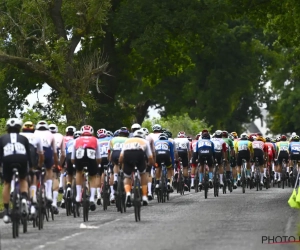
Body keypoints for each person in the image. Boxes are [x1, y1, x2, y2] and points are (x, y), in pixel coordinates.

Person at [1, 118, 33, 223]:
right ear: (19, 128)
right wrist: (31, 168)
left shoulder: (2, 138)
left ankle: (6, 211)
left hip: (7, 159)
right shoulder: (23, 138)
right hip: (21, 159)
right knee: (23, 179)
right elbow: (29, 156)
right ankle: (24, 197)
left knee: (6, 183)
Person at [119, 129, 154, 206]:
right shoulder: (145, 141)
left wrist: (120, 164)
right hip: (139, 154)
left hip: (127, 154)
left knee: (127, 177)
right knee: (143, 174)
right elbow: (150, 157)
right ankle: (144, 197)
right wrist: (150, 164)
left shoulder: (127, 141)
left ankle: (128, 193)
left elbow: (121, 156)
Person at [71, 125, 101, 211]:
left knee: (78, 172)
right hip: (91, 158)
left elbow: (73, 158)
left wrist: (76, 165)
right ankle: (92, 198)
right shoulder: (96, 140)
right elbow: (98, 158)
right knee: (92, 176)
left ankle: (78, 197)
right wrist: (97, 165)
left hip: (79, 156)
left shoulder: (76, 140)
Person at [20, 121, 44, 218]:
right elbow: (41, 154)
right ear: (33, 129)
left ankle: (14, 190)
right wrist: (39, 165)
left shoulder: (19, 135)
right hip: (32, 154)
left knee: (22, 177)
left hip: (19, 156)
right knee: (33, 175)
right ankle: (33, 197)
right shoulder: (37, 137)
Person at [34, 121, 58, 202]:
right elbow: (54, 152)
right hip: (47, 151)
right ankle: (48, 194)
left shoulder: (34, 133)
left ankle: (35, 191)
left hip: (36, 151)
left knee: (35, 170)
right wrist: (56, 164)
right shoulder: (50, 134)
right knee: (49, 169)